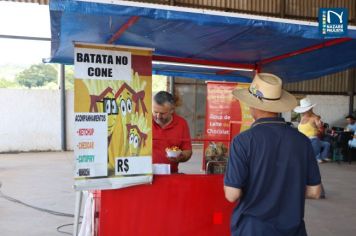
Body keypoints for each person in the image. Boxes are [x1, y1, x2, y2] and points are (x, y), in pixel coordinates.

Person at [224, 73, 321, 236]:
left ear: (252, 105)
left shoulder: (243, 141)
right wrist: (288, 189)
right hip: (293, 229)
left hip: (253, 229)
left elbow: (232, 194)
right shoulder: (302, 141)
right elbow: (314, 192)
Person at [152, 91, 192, 173]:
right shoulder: (144, 120)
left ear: (172, 110)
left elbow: (188, 151)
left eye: (162, 113)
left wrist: (180, 157)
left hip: (171, 174)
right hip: (146, 174)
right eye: (155, 112)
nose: (158, 116)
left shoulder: (181, 124)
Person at [294, 98, 331, 163]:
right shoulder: (302, 118)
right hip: (302, 140)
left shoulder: (314, 118)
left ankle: (320, 156)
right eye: (304, 110)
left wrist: (319, 126)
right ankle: (319, 157)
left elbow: (319, 126)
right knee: (326, 144)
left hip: (312, 140)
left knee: (326, 144)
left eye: (307, 110)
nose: (304, 112)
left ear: (310, 110)